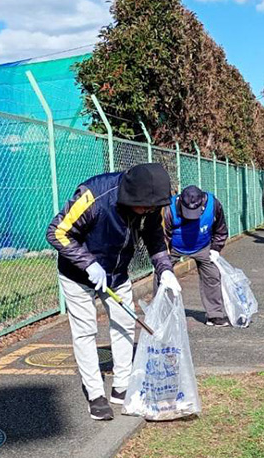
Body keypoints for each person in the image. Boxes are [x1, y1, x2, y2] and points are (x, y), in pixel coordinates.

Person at [46, 163, 182, 421]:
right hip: (78, 274)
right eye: (145, 207)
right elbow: (57, 232)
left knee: (124, 326)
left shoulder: (149, 204)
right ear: (131, 196)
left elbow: (154, 238)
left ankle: (121, 387)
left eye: (153, 208)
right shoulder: (94, 196)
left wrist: (164, 269)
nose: (148, 212)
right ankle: (96, 394)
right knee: (86, 331)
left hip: (117, 273)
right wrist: (88, 263)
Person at [161, 185, 229, 327]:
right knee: (161, 277)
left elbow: (220, 229)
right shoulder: (169, 209)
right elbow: (163, 237)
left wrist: (216, 248)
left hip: (202, 246)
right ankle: (162, 316)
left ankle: (215, 315)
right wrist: (163, 262)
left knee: (212, 275)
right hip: (175, 247)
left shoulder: (213, 204)